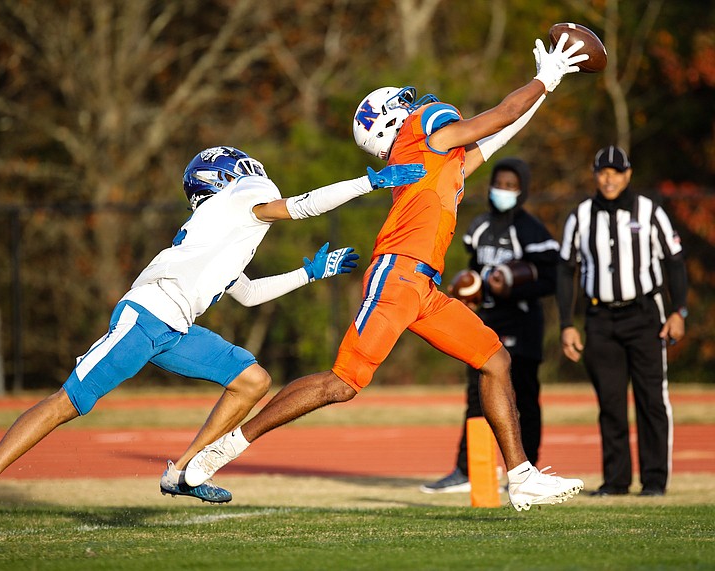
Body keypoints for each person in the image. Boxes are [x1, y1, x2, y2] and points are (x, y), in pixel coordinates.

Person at [183, 34, 590, 512]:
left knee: (495, 361)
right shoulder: (422, 129)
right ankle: (223, 448)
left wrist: (547, 88)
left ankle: (520, 477)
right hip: (397, 276)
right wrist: (540, 80)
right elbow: (495, 117)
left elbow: (497, 134)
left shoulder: (433, 155)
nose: (413, 103)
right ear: (392, 121)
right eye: (403, 103)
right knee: (342, 383)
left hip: (424, 285)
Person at [0, 145, 426, 539]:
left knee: (251, 379)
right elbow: (300, 206)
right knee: (68, 402)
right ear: (223, 179)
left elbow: (251, 294)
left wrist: (308, 272)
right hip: (147, 315)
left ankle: (185, 470)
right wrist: (371, 182)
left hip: (176, 327)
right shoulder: (237, 204)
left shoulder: (227, 228)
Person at [420, 157, 559, 494]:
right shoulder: (479, 226)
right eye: (500, 184)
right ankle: (469, 470)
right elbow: (474, 269)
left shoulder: (531, 230)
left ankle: (528, 470)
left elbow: (551, 277)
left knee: (523, 397)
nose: (504, 191)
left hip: (522, 320)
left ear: (523, 189)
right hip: (487, 320)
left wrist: (513, 282)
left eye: (511, 186)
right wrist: (471, 288)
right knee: (476, 394)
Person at [556, 145, 688, 497]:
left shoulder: (649, 212)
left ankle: (655, 481)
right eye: (602, 171)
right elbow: (565, 269)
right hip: (601, 318)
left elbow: (675, 261)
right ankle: (615, 481)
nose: (609, 177)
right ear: (595, 175)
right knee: (610, 403)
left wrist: (680, 311)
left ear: (628, 174)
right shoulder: (581, 216)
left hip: (645, 315)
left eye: (616, 171)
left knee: (651, 400)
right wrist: (566, 323)